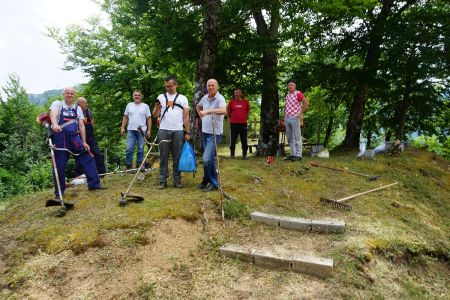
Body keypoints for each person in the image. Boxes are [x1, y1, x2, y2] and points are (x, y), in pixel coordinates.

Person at [49, 87, 103, 197]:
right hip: (60, 138)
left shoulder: (77, 108)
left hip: (74, 138)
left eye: (72, 93)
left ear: (74, 95)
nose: (69, 95)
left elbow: (81, 125)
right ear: (63, 94)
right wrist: (54, 124)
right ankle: (59, 192)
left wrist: (84, 141)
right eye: (67, 93)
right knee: (60, 165)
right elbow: (53, 115)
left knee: (88, 157)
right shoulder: (57, 104)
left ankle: (94, 185)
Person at [152, 76, 191, 189]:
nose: (168, 88)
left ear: (175, 85)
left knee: (177, 156)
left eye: (170, 86)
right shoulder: (161, 97)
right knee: (163, 156)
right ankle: (162, 180)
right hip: (163, 129)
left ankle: (177, 180)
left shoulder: (183, 98)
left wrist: (187, 132)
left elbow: (186, 117)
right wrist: (156, 108)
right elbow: (155, 115)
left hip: (178, 130)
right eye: (166, 86)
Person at [196, 79, 227, 192]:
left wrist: (208, 111)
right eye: (209, 85)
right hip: (205, 131)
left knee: (206, 159)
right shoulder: (204, 98)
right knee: (209, 159)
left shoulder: (220, 98)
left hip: (215, 133)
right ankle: (206, 180)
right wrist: (201, 115)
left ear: (217, 87)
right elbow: (198, 106)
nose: (210, 87)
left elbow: (224, 111)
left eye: (213, 85)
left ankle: (214, 183)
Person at [74, 97, 107, 176]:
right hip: (79, 137)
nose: (87, 105)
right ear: (79, 104)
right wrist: (77, 131)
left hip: (90, 137)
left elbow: (92, 124)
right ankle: (80, 175)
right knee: (80, 156)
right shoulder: (74, 112)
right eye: (85, 103)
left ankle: (101, 173)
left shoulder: (89, 112)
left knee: (97, 153)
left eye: (86, 103)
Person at [120, 90, 152, 170]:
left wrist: (149, 130)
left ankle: (139, 164)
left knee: (141, 148)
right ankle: (128, 165)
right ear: (133, 96)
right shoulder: (129, 105)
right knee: (129, 148)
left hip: (142, 130)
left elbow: (149, 119)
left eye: (138, 95)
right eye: (135, 95)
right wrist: (122, 127)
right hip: (131, 130)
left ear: (141, 97)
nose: (137, 96)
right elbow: (125, 117)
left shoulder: (145, 106)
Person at [283, 80, 309, 161]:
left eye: (292, 85)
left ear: (295, 86)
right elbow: (286, 106)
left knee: (297, 137)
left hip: (295, 117)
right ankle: (292, 154)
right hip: (287, 118)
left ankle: (298, 155)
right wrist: (284, 115)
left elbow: (306, 103)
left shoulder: (298, 93)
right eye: (289, 85)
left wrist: (300, 113)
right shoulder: (287, 95)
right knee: (290, 137)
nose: (290, 86)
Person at [227, 87, 250, 159]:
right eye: (235, 93)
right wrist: (232, 118)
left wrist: (245, 118)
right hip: (233, 123)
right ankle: (232, 155)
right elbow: (228, 111)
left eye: (237, 92)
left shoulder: (246, 102)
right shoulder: (231, 102)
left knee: (244, 139)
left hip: (243, 124)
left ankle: (244, 155)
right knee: (233, 139)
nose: (235, 94)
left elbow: (248, 111)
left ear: (241, 93)